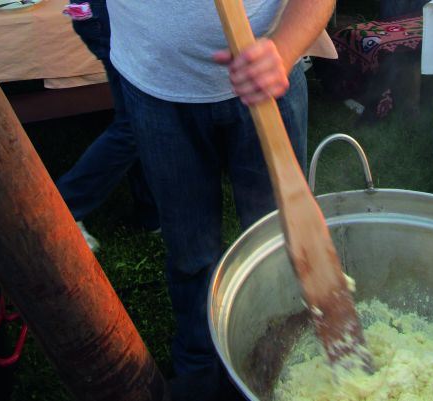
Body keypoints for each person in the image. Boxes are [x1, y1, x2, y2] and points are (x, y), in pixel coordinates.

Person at [106, 0, 336, 398]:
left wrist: (282, 49)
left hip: (270, 75)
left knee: (281, 250)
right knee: (191, 254)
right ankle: (201, 370)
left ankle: (285, 364)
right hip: (157, 84)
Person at [58, 0, 159, 252]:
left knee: (139, 108)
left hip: (109, 13)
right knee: (134, 124)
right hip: (109, 14)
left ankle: (152, 213)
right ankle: (64, 207)